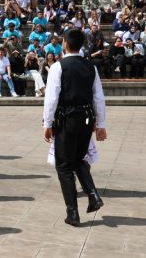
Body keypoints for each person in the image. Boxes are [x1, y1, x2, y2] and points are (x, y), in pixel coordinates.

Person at [42, 29, 107, 227]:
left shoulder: (58, 67)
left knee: (64, 165)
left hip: (67, 119)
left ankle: (73, 213)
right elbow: (98, 97)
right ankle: (93, 195)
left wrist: (47, 123)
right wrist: (101, 124)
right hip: (87, 119)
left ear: (65, 44)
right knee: (78, 159)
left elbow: (51, 98)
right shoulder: (90, 66)